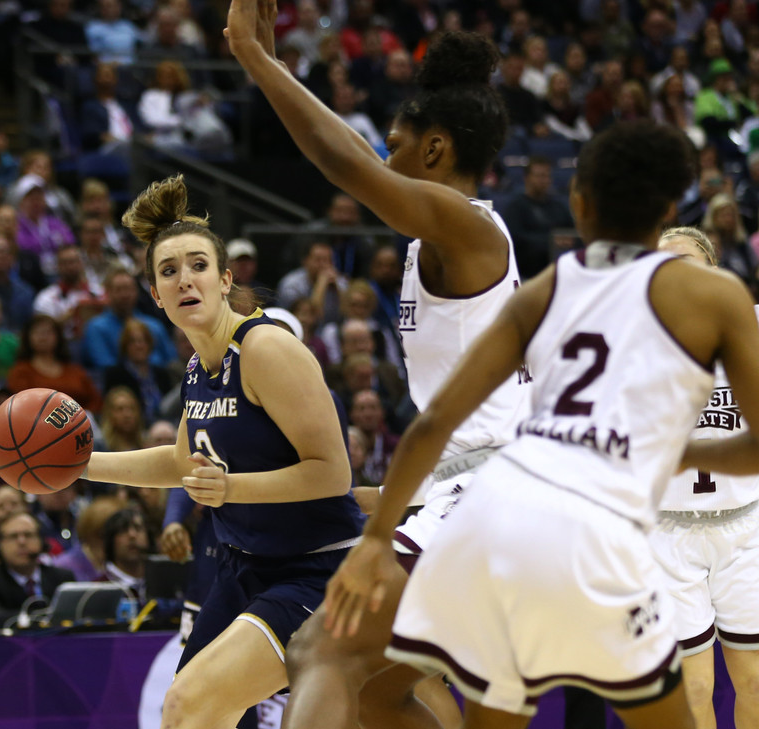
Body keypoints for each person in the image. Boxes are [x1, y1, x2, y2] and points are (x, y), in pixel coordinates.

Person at [322, 119, 759, 729]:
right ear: (668, 208)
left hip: (518, 521)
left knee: (451, 700)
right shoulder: (715, 301)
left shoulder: (542, 293)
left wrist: (374, 539)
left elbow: (436, 421)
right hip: (602, 542)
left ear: (578, 203)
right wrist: (675, 454)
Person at [228, 10, 529, 729]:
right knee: (377, 692)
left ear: (435, 148)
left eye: (394, 147)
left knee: (321, 650)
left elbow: (347, 164)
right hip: (485, 489)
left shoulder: (466, 226)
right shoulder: (455, 234)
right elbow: (358, 153)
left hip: (494, 491)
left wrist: (256, 60)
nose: (381, 160)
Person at [83, 173, 363, 729]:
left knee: (191, 705)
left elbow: (333, 473)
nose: (185, 279)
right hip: (244, 568)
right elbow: (181, 462)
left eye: (198, 265)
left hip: (318, 566)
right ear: (156, 296)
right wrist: (79, 466)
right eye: (168, 271)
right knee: (189, 713)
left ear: (225, 279)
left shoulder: (265, 349)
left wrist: (232, 487)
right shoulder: (197, 367)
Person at [652, 226, 759, 729]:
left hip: (742, 527)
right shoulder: (631, 336)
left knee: (753, 683)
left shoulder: (754, 323)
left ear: (713, 269)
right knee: (694, 687)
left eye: (683, 260)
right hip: (667, 532)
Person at [0, 512, 75, 632]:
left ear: (41, 541)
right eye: (13, 536)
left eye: (28, 535)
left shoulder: (62, 578)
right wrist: (45, 619)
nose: (22, 542)